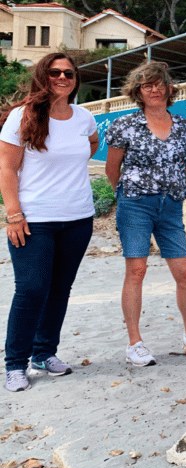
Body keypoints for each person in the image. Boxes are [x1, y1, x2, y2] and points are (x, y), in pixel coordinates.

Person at [105, 61, 186, 366]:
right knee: (137, 270)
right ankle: (134, 343)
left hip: (170, 206)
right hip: (136, 204)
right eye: (146, 85)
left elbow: (183, 165)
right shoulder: (125, 125)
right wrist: (127, 194)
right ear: (138, 92)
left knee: (185, 272)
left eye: (159, 84)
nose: (154, 89)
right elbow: (111, 168)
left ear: (169, 89)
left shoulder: (184, 127)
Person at [0, 53, 98, 392]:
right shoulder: (21, 116)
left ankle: (44, 353)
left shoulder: (84, 117)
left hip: (77, 218)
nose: (62, 77)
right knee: (31, 289)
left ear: (75, 79)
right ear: (44, 76)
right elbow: (7, 168)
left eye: (69, 73)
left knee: (59, 289)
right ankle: (15, 363)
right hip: (34, 220)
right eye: (55, 72)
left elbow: (92, 143)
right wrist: (13, 214)